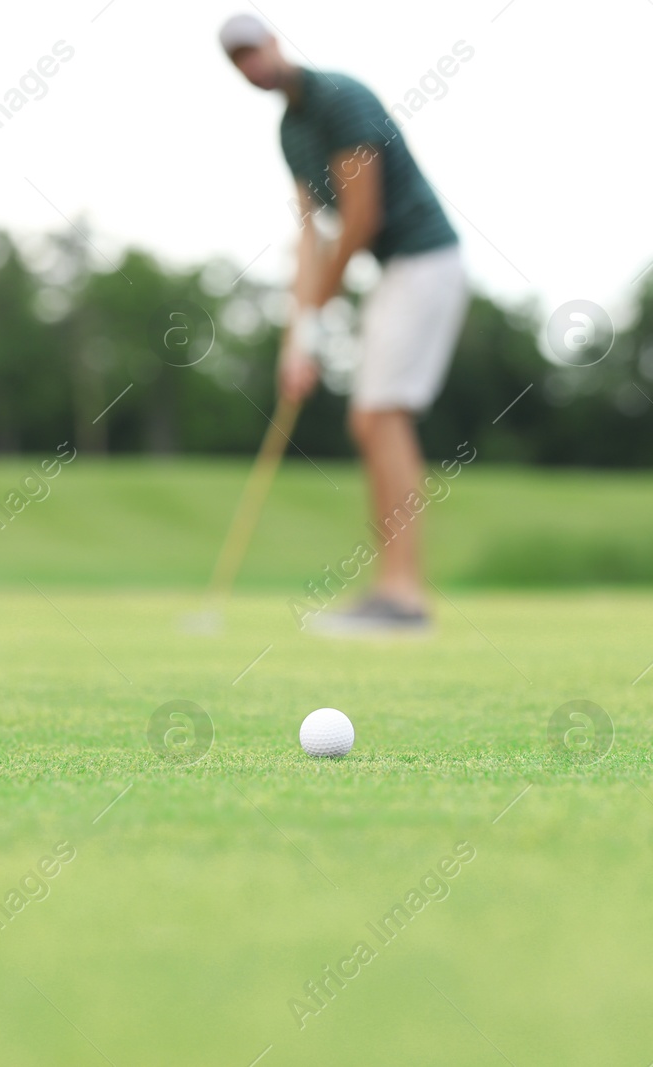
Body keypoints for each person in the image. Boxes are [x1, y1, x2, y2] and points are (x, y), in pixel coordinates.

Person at [220, 13, 469, 634]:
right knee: (370, 418)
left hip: (426, 260)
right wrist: (294, 337)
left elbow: (359, 220)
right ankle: (393, 589)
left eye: (254, 50)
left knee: (381, 416)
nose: (251, 65)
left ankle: (404, 596)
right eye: (238, 61)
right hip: (397, 274)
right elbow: (310, 236)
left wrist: (319, 315)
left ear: (275, 42)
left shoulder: (342, 99)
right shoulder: (291, 131)